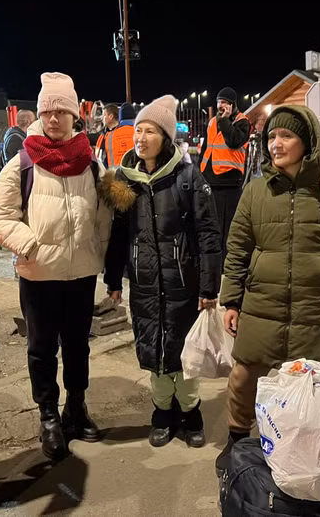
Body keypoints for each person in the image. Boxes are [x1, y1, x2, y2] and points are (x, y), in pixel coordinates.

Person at [214, 105, 320, 476]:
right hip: (261, 305)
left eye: (286, 136)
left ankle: (302, 454)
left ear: (308, 142)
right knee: (243, 378)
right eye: (271, 136)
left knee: (311, 389)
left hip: (317, 309)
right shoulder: (254, 192)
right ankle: (238, 441)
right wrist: (231, 300)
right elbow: (237, 249)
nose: (276, 144)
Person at [0, 73, 114, 461]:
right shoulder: (22, 161)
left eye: (62, 111)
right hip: (39, 275)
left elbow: (105, 218)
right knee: (41, 350)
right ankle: (48, 417)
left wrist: (105, 260)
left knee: (78, 347)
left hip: (81, 274)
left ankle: (76, 408)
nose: (54, 118)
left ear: (75, 115)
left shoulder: (92, 163)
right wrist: (29, 245)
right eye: (47, 111)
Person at [102, 95, 222, 448]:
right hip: (144, 283)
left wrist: (209, 287)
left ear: (166, 137)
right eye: (137, 130)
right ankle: (161, 413)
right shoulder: (123, 180)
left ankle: (190, 411)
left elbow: (208, 234)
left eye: (149, 131)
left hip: (183, 282)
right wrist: (113, 280)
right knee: (152, 350)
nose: (140, 137)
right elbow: (117, 236)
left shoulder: (188, 178)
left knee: (184, 352)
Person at [199, 87, 251, 264]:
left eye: (224, 103)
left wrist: (225, 120)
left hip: (230, 182)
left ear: (233, 105)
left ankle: (226, 263)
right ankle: (214, 261)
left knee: (228, 227)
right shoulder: (213, 122)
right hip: (211, 180)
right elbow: (207, 148)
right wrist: (200, 173)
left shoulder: (242, 122)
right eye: (219, 102)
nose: (221, 106)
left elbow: (234, 141)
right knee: (213, 225)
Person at [96, 102, 136, 168]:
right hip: (137, 176)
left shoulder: (108, 136)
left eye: (104, 115)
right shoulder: (140, 133)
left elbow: (103, 161)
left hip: (114, 176)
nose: (102, 118)